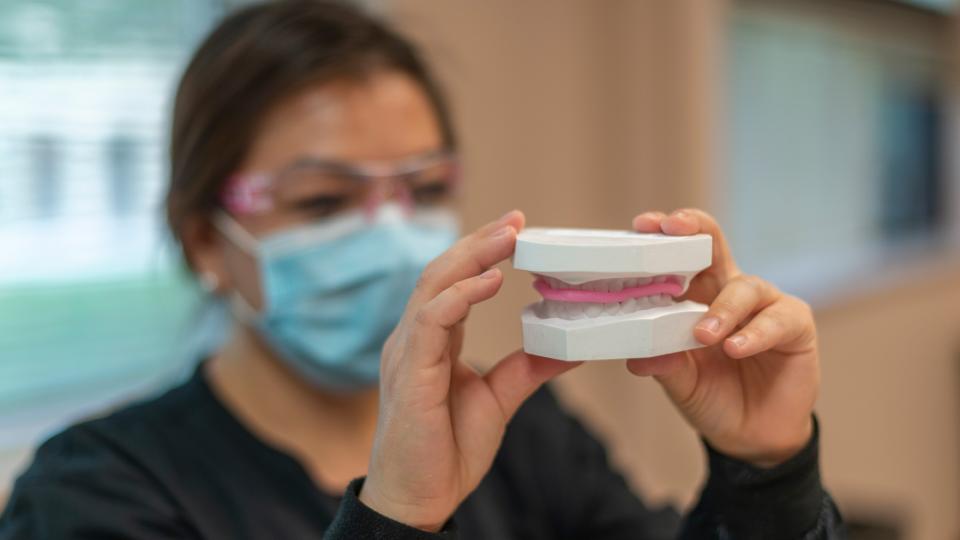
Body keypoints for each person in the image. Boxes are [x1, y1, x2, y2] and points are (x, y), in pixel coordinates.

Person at [0, 1, 843, 538]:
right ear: (204, 242)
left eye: (423, 188)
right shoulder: (96, 497)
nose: (391, 234)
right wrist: (396, 517)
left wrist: (767, 470)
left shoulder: (520, 431)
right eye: (324, 201)